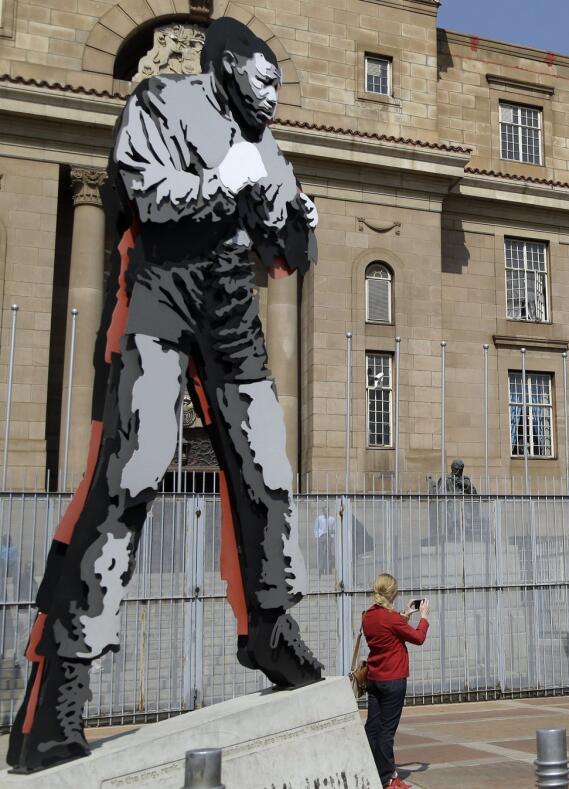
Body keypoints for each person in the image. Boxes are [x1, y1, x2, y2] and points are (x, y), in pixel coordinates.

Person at [7, 17, 321, 773]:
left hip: (232, 310)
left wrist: (297, 223)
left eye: (279, 82)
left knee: (268, 467)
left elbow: (285, 252)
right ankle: (61, 688)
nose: (275, 96)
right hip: (159, 293)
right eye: (263, 79)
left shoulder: (266, 144)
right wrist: (223, 184)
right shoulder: (163, 101)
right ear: (224, 69)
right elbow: (146, 190)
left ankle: (269, 625)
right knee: (134, 470)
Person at [363, 573, 430, 789]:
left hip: (374, 679)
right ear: (393, 593)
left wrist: (405, 614)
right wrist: (424, 617)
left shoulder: (368, 616)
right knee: (386, 732)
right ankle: (388, 780)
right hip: (393, 680)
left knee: (372, 728)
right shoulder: (390, 618)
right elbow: (418, 638)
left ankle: (372, 770)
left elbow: (387, 630)